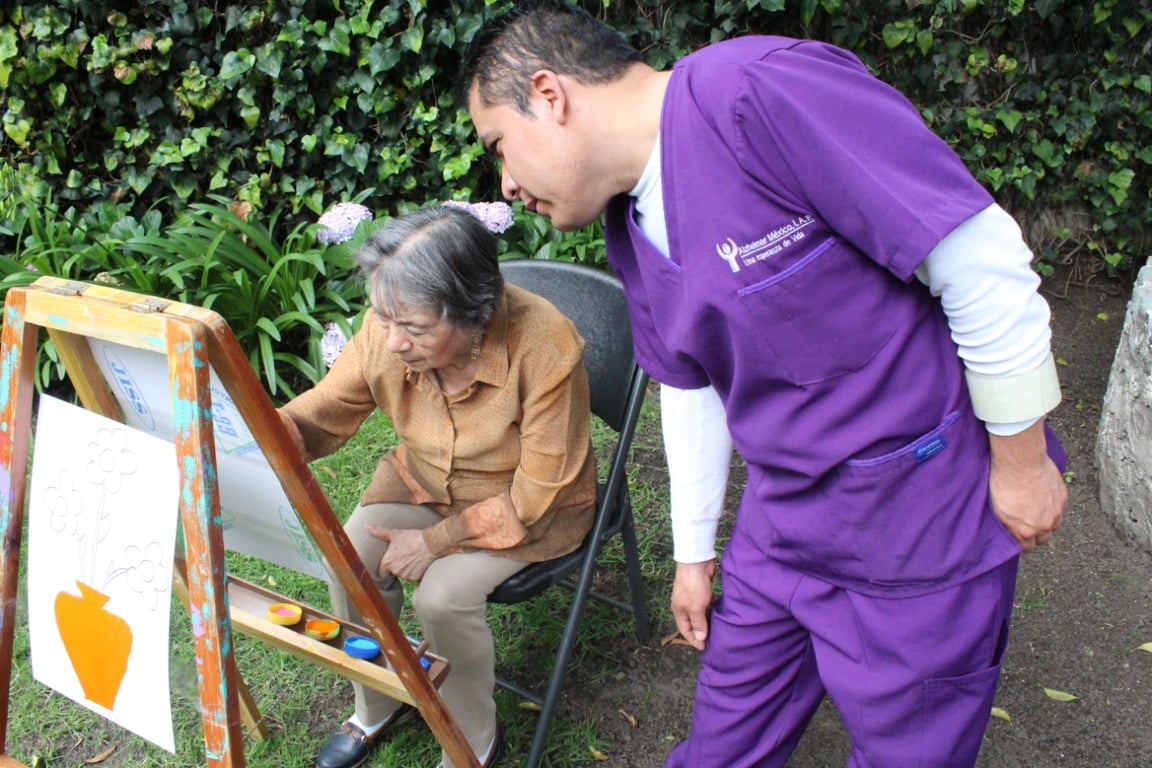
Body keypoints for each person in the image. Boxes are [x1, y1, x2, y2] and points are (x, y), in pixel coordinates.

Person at [458, 3, 1069, 766]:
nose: (508, 184)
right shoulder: (628, 224)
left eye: (500, 148)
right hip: (784, 520)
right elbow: (691, 387)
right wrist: (692, 554)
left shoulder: (757, 92)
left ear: (547, 94)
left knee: (910, 751)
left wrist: (1020, 462)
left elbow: (980, 259)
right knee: (722, 745)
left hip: (920, 513)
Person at [277, 204, 598, 768]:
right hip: (423, 484)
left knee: (443, 597)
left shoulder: (545, 345)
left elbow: (538, 490)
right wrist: (257, 429)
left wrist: (434, 543)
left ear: (474, 313)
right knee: (347, 559)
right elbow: (322, 412)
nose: (394, 340)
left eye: (416, 328)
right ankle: (376, 703)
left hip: (530, 506)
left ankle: (471, 743)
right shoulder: (389, 325)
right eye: (383, 318)